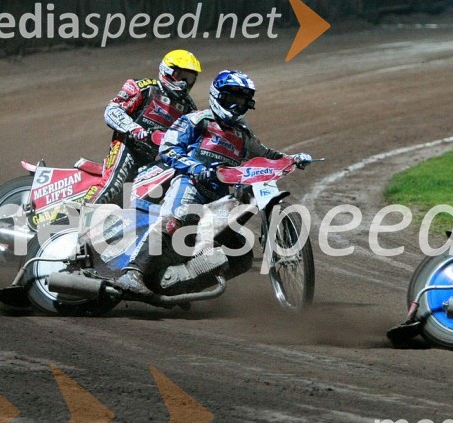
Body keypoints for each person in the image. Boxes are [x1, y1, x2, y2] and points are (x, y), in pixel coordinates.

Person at [114, 69, 312, 296]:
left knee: (241, 254)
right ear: (218, 96)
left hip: (219, 199)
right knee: (172, 221)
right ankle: (132, 273)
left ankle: (181, 285)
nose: (236, 106)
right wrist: (196, 167)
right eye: (232, 99)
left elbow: (265, 155)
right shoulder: (196, 120)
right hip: (190, 185)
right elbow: (168, 149)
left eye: (242, 101)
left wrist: (293, 159)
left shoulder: (242, 134)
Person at [91, 49, 201, 205]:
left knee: (145, 197)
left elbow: (193, 139)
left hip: (153, 159)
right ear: (167, 71)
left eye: (189, 79)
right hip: (127, 146)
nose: (184, 83)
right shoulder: (143, 87)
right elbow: (112, 110)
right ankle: (78, 214)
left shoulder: (189, 108)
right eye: (181, 76)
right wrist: (133, 128)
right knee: (114, 185)